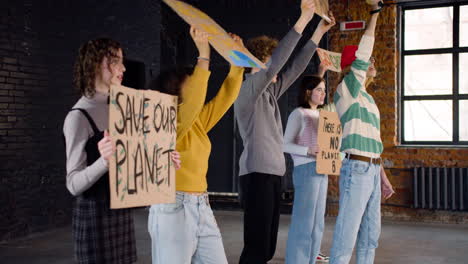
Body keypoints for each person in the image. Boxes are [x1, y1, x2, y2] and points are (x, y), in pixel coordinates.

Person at [234, 0, 336, 262]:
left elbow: (296, 66)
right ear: (257, 63)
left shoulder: (269, 93)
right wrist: (303, 19)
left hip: (274, 174)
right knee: (256, 245)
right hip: (257, 174)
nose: (277, 70)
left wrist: (319, 33)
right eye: (270, 62)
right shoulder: (247, 92)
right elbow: (278, 63)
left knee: (267, 245)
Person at [147, 27, 245, 264]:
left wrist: (237, 60)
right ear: (174, 92)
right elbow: (192, 102)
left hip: (202, 206)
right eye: (191, 83)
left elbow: (226, 96)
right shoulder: (168, 127)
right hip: (172, 207)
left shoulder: (197, 122)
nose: (199, 87)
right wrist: (203, 54)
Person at [329, 1, 395, 264]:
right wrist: (376, 14)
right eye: (368, 60)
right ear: (354, 65)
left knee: (370, 236)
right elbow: (366, 49)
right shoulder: (347, 90)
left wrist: (383, 176)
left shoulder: (368, 99)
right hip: (355, 170)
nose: (373, 62)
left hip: (372, 168)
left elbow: (375, 144)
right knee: (347, 235)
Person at [64, 38, 136, 264]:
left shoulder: (124, 109)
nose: (123, 68)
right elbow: (73, 184)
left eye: (122, 62)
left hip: (121, 212)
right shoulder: (78, 116)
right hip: (94, 216)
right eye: (115, 61)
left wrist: (163, 161)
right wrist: (103, 162)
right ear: (95, 64)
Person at [283, 75, 329, 264]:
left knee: (317, 223)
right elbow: (284, 145)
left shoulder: (324, 116)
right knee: (304, 221)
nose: (323, 93)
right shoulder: (299, 113)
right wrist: (307, 150)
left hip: (322, 169)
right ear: (308, 91)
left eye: (324, 90)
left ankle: (310, 259)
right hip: (305, 169)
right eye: (319, 89)